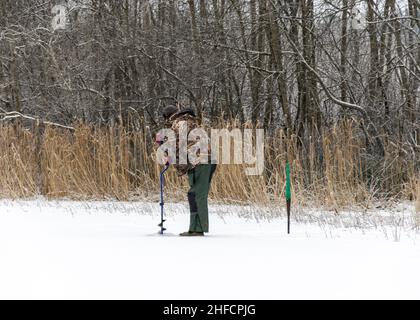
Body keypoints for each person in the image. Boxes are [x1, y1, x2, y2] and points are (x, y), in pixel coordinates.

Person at [161, 105, 217, 237]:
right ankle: (194, 228)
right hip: (197, 163)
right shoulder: (188, 122)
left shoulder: (179, 123)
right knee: (193, 194)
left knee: (197, 195)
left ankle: (198, 229)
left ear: (169, 117)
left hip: (202, 162)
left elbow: (174, 146)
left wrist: (167, 155)